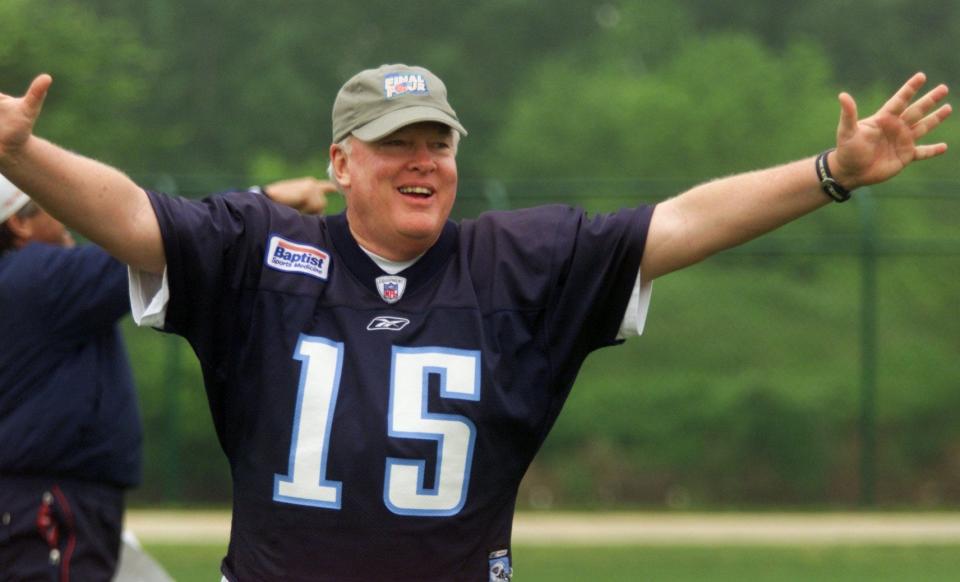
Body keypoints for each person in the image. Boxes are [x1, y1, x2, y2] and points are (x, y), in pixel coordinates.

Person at [0, 63, 949, 581]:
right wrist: (25, 156)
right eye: (393, 146)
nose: (422, 162)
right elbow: (128, 214)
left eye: (437, 144)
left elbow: (682, 222)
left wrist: (827, 177)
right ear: (341, 162)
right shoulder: (263, 254)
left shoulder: (517, 263)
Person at [0, 172, 332, 581]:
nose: (63, 215)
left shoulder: (30, 283)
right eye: (46, 203)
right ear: (19, 222)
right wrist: (266, 199)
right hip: (50, 501)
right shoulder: (39, 275)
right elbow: (171, 241)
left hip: (35, 498)